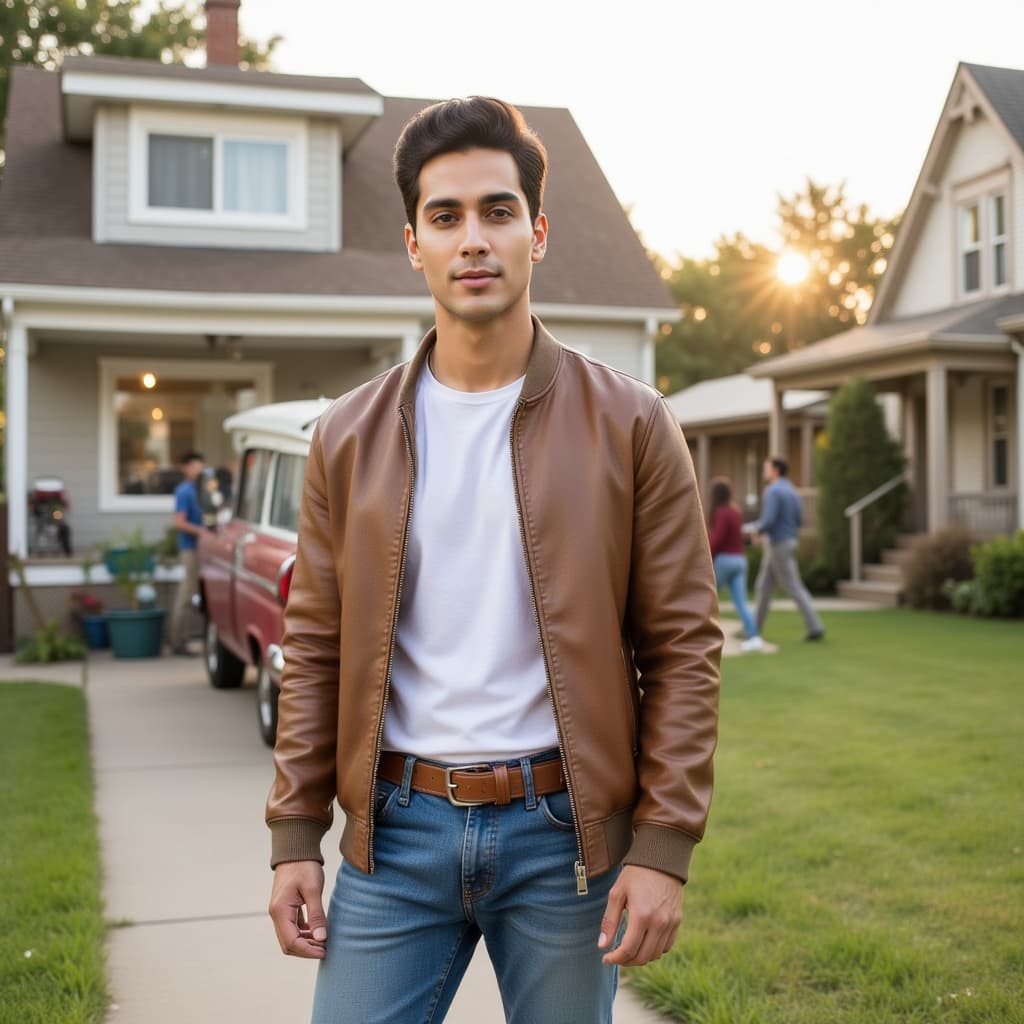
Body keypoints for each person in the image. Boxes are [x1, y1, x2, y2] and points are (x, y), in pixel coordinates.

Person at [265, 96, 722, 1024]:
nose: (473, 238)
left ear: (537, 232)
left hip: (564, 837)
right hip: (394, 837)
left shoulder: (632, 423)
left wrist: (662, 846)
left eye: (497, 211)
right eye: (446, 217)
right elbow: (314, 645)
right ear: (414, 244)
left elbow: (682, 647)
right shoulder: (347, 435)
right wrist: (294, 837)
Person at [750, 456, 825, 641]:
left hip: (778, 544)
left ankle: (815, 627)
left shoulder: (773, 491)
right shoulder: (792, 490)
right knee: (764, 586)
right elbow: (800, 519)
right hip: (789, 541)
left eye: (766, 468)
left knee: (793, 586)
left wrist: (752, 530)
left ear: (775, 470)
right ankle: (754, 628)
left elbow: (768, 521)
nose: (764, 471)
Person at [706, 477, 763, 652]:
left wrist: (707, 555)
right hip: (740, 561)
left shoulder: (721, 513)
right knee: (741, 603)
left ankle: (700, 637)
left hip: (724, 561)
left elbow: (718, 539)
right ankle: (754, 637)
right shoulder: (736, 511)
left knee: (705, 598)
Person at [167, 450, 206, 656]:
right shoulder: (184, 491)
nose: (198, 469)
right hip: (189, 548)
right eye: (194, 465)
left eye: (200, 465)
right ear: (186, 468)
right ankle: (177, 640)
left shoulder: (199, 489)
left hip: (200, 548)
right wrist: (201, 531)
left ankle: (185, 638)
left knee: (193, 594)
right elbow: (179, 522)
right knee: (186, 593)